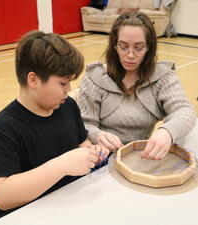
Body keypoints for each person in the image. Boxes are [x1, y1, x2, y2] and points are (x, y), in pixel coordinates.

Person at [0, 31, 109, 221]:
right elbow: (1, 196)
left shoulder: (68, 106)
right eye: (63, 83)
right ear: (33, 80)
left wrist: (95, 153)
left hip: (72, 207)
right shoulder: (5, 127)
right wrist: (63, 165)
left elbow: (84, 147)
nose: (69, 91)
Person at [78, 11, 196, 161]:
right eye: (123, 46)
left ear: (149, 47)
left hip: (140, 157)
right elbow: (84, 123)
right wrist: (98, 135)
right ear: (114, 45)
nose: (131, 55)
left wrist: (167, 132)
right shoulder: (95, 77)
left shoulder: (163, 77)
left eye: (139, 48)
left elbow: (185, 111)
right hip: (101, 158)